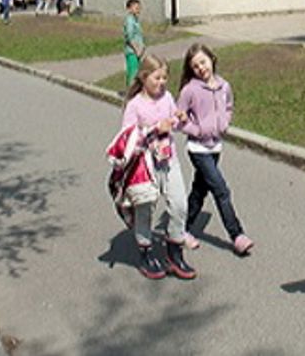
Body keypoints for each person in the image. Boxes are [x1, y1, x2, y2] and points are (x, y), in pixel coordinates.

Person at [108, 54, 198, 280]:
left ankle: (174, 253)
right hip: (144, 166)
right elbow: (127, 137)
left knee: (179, 204)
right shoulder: (135, 105)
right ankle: (146, 253)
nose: (162, 83)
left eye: (165, 78)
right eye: (157, 78)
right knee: (145, 210)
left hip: (169, 160)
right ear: (144, 77)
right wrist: (155, 128)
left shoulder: (167, 97)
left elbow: (174, 123)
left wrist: (179, 118)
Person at [175, 44, 255, 256]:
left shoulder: (223, 86)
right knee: (221, 190)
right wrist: (197, 130)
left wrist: (225, 123)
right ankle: (237, 235)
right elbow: (178, 119)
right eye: (195, 66)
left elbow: (228, 106)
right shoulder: (190, 90)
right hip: (197, 149)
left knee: (199, 192)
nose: (200, 68)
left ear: (211, 59)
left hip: (215, 146)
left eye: (203, 62)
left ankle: (180, 228)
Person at [123, 0, 146, 87]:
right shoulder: (129, 21)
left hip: (138, 51)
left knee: (137, 72)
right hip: (132, 51)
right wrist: (137, 50)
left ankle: (135, 90)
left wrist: (142, 47)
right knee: (133, 73)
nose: (138, 10)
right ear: (129, 9)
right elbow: (130, 37)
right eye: (136, 8)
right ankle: (131, 92)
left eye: (139, 8)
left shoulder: (135, 20)